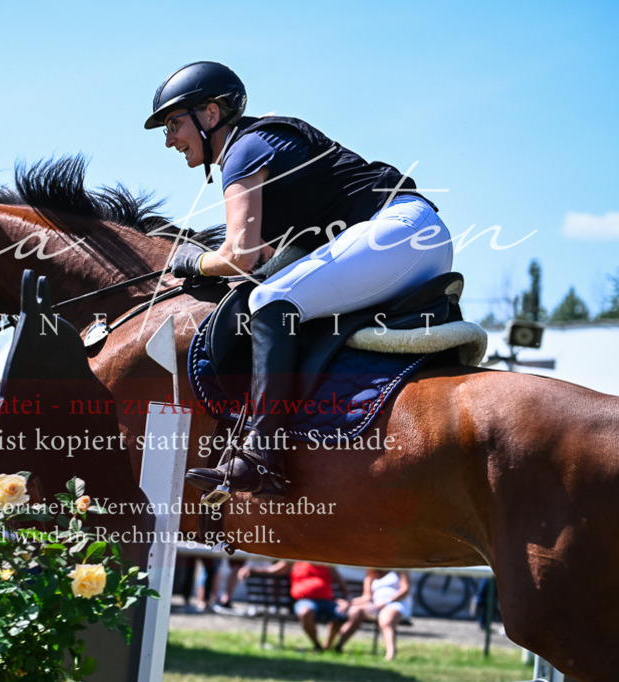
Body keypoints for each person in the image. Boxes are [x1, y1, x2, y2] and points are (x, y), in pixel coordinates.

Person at [145, 62, 454, 500]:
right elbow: (265, 260)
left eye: (174, 124)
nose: (169, 139)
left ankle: (261, 456)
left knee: (272, 301)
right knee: (281, 297)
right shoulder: (261, 147)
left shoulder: (244, 150)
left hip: (396, 235)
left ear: (211, 115)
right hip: (416, 240)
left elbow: (239, 257)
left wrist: (192, 263)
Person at [238, 560, 348, 651]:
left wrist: (347, 599)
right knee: (305, 612)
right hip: (305, 601)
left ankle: (328, 645)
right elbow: (273, 570)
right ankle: (317, 645)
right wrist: (250, 569)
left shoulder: (325, 560)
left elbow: (339, 579)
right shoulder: (294, 558)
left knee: (341, 612)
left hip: (327, 601)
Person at [333, 569, 412, 659]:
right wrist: (349, 603)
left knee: (386, 619)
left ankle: (391, 653)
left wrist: (386, 602)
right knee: (355, 612)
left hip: (396, 603)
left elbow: (405, 590)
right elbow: (367, 597)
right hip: (375, 605)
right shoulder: (371, 572)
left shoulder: (400, 569)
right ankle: (338, 646)